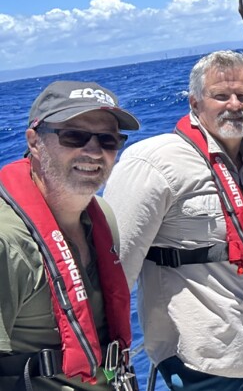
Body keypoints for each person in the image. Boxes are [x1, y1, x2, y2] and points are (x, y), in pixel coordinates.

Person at [103, 51, 243, 390]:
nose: (235, 104)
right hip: (204, 364)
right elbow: (114, 272)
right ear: (194, 102)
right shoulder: (155, 163)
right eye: (221, 96)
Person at [0, 81, 140, 390]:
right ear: (35, 142)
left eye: (108, 140)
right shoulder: (7, 240)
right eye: (74, 136)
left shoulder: (103, 215)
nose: (93, 151)